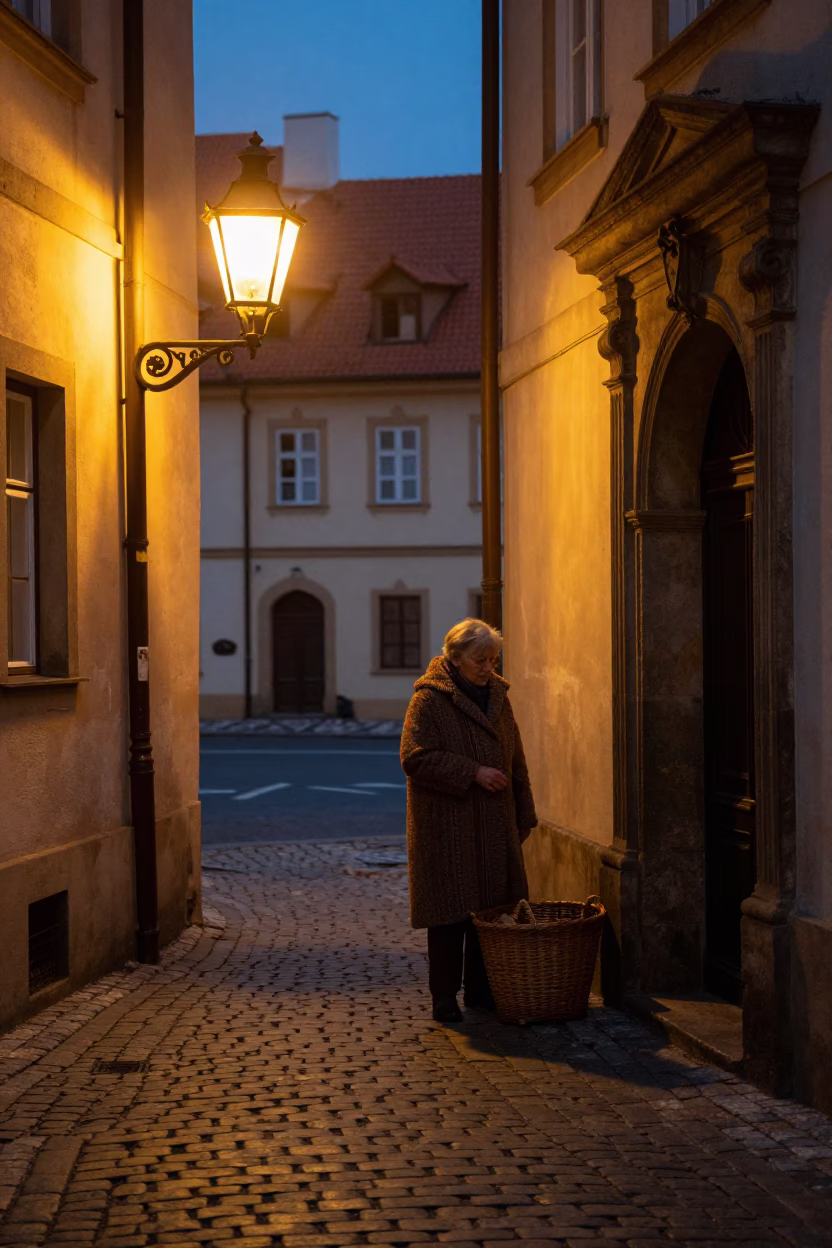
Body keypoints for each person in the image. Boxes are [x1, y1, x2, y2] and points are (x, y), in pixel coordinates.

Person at [400, 618, 537, 1021]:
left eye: (493, 658)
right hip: (447, 826)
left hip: (494, 822)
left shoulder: (498, 695)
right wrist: (472, 772)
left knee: (490, 911)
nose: (488, 667)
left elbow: (516, 758)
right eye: (480, 659)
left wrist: (524, 813)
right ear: (455, 658)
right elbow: (415, 757)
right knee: (449, 914)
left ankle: (482, 991)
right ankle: (444, 997)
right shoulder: (428, 699)